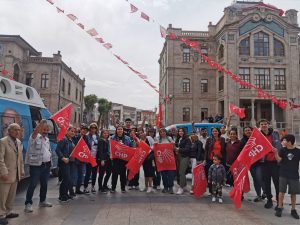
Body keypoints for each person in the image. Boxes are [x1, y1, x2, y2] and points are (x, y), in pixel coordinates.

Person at [24, 120, 52, 213]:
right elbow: (35, 132)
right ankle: (28, 203)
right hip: (36, 166)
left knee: (44, 184)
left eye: (47, 130)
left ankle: (42, 201)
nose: (45, 131)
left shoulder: (47, 139)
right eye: (44, 129)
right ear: (40, 129)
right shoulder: (34, 137)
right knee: (33, 184)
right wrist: (40, 124)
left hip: (46, 165)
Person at [0, 123, 24, 225]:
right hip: (6, 174)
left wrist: (22, 170)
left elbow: (20, 158)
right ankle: (1, 215)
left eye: (19, 130)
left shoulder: (18, 142)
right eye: (15, 130)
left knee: (11, 195)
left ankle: (8, 211)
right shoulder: (3, 142)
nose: (17, 132)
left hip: (16, 173)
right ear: (9, 131)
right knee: (2, 196)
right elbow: (0, 159)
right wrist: (3, 172)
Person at [274, 134, 300, 219]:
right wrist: (275, 153)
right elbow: (279, 160)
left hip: (294, 175)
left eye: (284, 140)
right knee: (281, 192)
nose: (282, 142)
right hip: (283, 174)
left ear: (289, 142)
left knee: (293, 193)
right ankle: (280, 207)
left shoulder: (298, 151)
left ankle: (293, 209)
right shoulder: (282, 150)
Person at [259, 119, 281, 209]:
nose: (264, 125)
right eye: (262, 124)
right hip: (265, 163)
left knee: (277, 183)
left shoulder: (275, 134)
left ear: (268, 125)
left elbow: (279, 146)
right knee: (266, 183)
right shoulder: (258, 136)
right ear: (260, 126)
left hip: (275, 163)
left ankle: (279, 201)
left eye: (265, 124)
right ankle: (269, 200)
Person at [241, 126, 266, 202]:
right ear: (244, 133)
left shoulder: (257, 138)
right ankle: (258, 195)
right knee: (255, 179)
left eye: (249, 130)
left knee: (259, 178)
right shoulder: (243, 141)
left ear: (252, 131)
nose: (248, 131)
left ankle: (265, 192)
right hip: (251, 163)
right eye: (246, 130)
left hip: (259, 162)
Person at [55, 125, 77, 203]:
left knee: (68, 179)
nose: (73, 133)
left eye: (74, 132)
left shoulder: (71, 140)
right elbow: (57, 150)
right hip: (64, 162)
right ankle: (62, 196)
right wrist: (63, 158)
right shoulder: (64, 139)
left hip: (70, 162)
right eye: (71, 131)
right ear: (67, 131)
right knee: (66, 179)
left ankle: (66, 194)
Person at [111, 125, 132, 193]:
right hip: (116, 158)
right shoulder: (112, 138)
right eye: (118, 129)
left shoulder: (127, 138)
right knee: (115, 174)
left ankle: (123, 188)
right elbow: (110, 147)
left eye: (121, 129)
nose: (120, 130)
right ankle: (113, 188)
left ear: (123, 131)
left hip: (124, 158)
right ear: (116, 130)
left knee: (123, 174)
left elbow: (130, 148)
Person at [204, 127, 226, 194]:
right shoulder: (209, 139)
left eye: (216, 131)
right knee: (211, 176)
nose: (214, 132)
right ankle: (211, 191)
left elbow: (224, 150)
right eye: (213, 131)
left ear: (218, 132)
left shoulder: (222, 139)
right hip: (210, 160)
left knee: (219, 176)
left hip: (220, 160)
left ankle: (218, 190)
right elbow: (206, 150)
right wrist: (205, 159)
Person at [157, 128, 175, 194]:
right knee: (164, 174)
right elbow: (155, 148)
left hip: (170, 159)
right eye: (161, 132)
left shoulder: (169, 138)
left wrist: (173, 144)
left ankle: (171, 188)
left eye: (164, 132)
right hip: (162, 159)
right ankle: (165, 187)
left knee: (170, 174)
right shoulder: (158, 139)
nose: (162, 133)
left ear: (166, 132)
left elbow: (173, 146)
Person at [83, 123, 100, 194]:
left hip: (96, 157)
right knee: (88, 173)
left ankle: (93, 186)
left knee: (94, 173)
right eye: (92, 128)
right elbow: (84, 146)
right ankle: (85, 187)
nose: (93, 129)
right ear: (90, 129)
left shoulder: (98, 136)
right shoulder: (87, 137)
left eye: (95, 128)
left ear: (96, 129)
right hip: (89, 158)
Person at [72, 123, 89, 194]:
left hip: (82, 159)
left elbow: (87, 147)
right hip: (75, 159)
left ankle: (78, 189)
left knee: (81, 175)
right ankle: (71, 191)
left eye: (85, 130)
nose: (84, 131)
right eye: (83, 130)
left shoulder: (86, 138)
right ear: (80, 130)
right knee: (73, 175)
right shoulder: (76, 137)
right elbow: (74, 146)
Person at [175, 128, 191, 195]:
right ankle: (184, 186)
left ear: (184, 132)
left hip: (185, 157)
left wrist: (179, 149)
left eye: (182, 131)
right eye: (179, 131)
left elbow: (187, 149)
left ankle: (181, 188)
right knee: (180, 172)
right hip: (178, 157)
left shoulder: (187, 139)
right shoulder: (178, 139)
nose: (180, 132)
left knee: (181, 172)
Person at [97, 129, 112, 193]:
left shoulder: (108, 141)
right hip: (103, 159)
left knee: (109, 172)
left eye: (107, 133)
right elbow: (100, 151)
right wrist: (102, 160)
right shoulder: (100, 140)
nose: (106, 134)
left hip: (108, 159)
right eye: (104, 133)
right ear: (102, 134)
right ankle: (100, 187)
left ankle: (105, 185)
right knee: (101, 174)